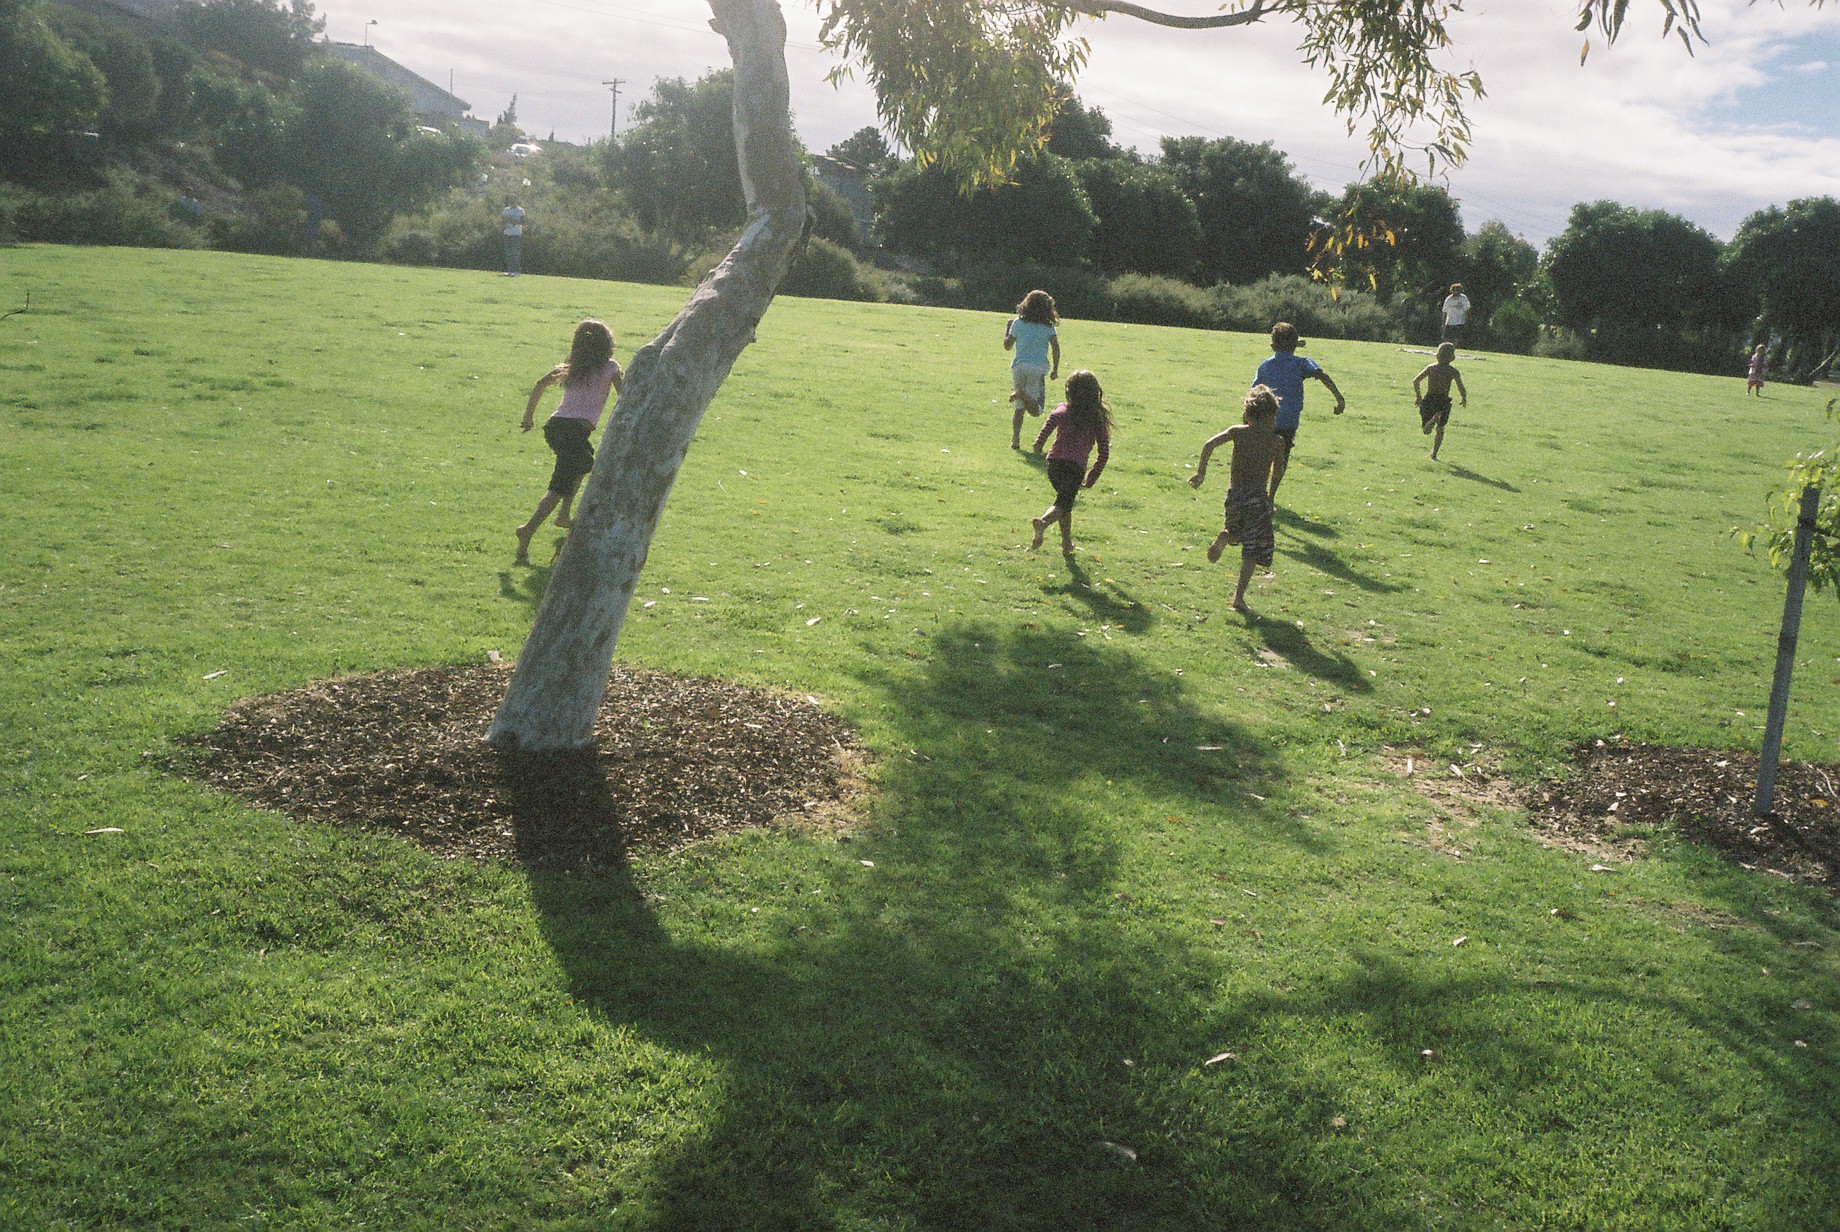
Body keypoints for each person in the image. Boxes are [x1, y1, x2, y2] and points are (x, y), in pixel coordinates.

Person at [515, 319, 623, 563]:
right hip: (572, 431)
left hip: (557, 427)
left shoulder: (573, 366)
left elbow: (539, 384)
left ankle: (562, 515)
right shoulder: (611, 368)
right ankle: (528, 530)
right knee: (562, 483)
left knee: (581, 464)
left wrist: (529, 417)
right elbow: (624, 395)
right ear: (607, 344)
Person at [1190, 386, 1283, 613]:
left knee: (1236, 533)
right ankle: (1239, 596)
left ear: (1248, 416)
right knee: (1251, 548)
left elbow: (1209, 444)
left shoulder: (1238, 433)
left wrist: (1201, 472)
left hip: (1236, 495)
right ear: (1272, 416)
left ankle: (1226, 535)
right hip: (1258, 498)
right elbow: (1278, 471)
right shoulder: (1277, 442)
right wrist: (1271, 497)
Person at [1252, 322, 1345, 502]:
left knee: (1261, 457)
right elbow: (1322, 375)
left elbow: (1254, 391)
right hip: (1288, 421)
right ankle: (1270, 497)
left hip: (1264, 419)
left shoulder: (1265, 366)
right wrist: (1339, 398)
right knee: (1281, 459)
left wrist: (1247, 417)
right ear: (1295, 345)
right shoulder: (1302, 363)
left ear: (1272, 346)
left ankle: (1257, 493)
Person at [1029, 370, 1111, 555]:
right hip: (1074, 468)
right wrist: (1092, 477)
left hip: (1054, 465)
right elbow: (1103, 452)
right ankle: (1043, 522)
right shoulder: (1096, 418)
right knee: (1063, 504)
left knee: (1065, 503)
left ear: (1069, 392)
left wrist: (1039, 444)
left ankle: (1067, 544)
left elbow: (1050, 423)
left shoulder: (1062, 409)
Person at [1003, 290, 1061, 448]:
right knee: (1037, 410)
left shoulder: (1018, 323)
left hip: (1018, 367)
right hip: (1037, 368)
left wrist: (1008, 328)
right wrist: (1055, 369)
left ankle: (1015, 440)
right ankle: (1020, 394)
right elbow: (1055, 347)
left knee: (1019, 407)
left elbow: (1007, 346)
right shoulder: (1047, 327)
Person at [1413, 341, 1469, 460]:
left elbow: (1416, 381)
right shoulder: (1453, 371)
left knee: (1426, 430)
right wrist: (1463, 398)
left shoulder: (1431, 368)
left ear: (1436, 356)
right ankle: (1434, 454)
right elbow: (1460, 386)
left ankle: (1432, 419)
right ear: (1453, 358)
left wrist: (1418, 396)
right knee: (1440, 429)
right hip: (1443, 401)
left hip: (1429, 399)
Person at [501, 198, 527, 276]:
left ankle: (516, 271)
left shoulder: (520, 210)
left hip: (516, 234)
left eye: (513, 200)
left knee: (515, 253)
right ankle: (510, 270)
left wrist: (513, 220)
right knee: (508, 253)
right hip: (507, 233)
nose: (512, 202)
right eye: (510, 200)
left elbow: (523, 222)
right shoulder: (506, 210)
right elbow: (502, 220)